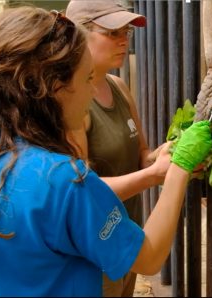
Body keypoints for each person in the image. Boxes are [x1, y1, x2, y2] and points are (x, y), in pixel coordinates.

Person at [0, 6, 212, 297]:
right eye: (87, 78)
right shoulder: (64, 181)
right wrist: (180, 167)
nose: (92, 91)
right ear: (55, 87)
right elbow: (149, 256)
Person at [65, 1, 165, 295]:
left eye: (126, 32)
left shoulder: (119, 86)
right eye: (112, 32)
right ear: (78, 35)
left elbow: (143, 158)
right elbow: (80, 192)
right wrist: (156, 176)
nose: (123, 40)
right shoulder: (72, 104)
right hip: (94, 250)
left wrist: (170, 154)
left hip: (125, 237)